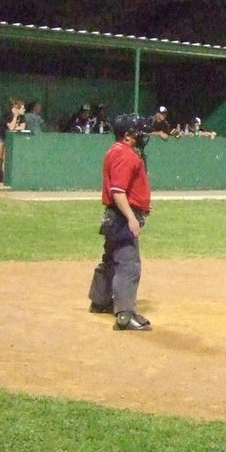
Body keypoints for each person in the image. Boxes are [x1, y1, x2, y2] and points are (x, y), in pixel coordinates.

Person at [88, 113, 153, 331]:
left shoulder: (117, 151)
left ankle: (100, 300)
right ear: (127, 136)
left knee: (111, 259)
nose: (141, 133)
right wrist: (131, 217)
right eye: (137, 130)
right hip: (121, 217)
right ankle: (125, 315)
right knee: (128, 264)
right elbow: (118, 191)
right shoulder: (125, 155)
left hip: (115, 216)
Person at [0, 98, 27, 185]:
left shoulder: (22, 117)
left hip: (9, 138)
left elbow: (22, 127)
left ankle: (4, 177)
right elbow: (11, 127)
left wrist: (15, 126)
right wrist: (15, 117)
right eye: (22, 108)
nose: (24, 110)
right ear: (16, 109)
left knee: (5, 158)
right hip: (0, 136)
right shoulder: (8, 115)